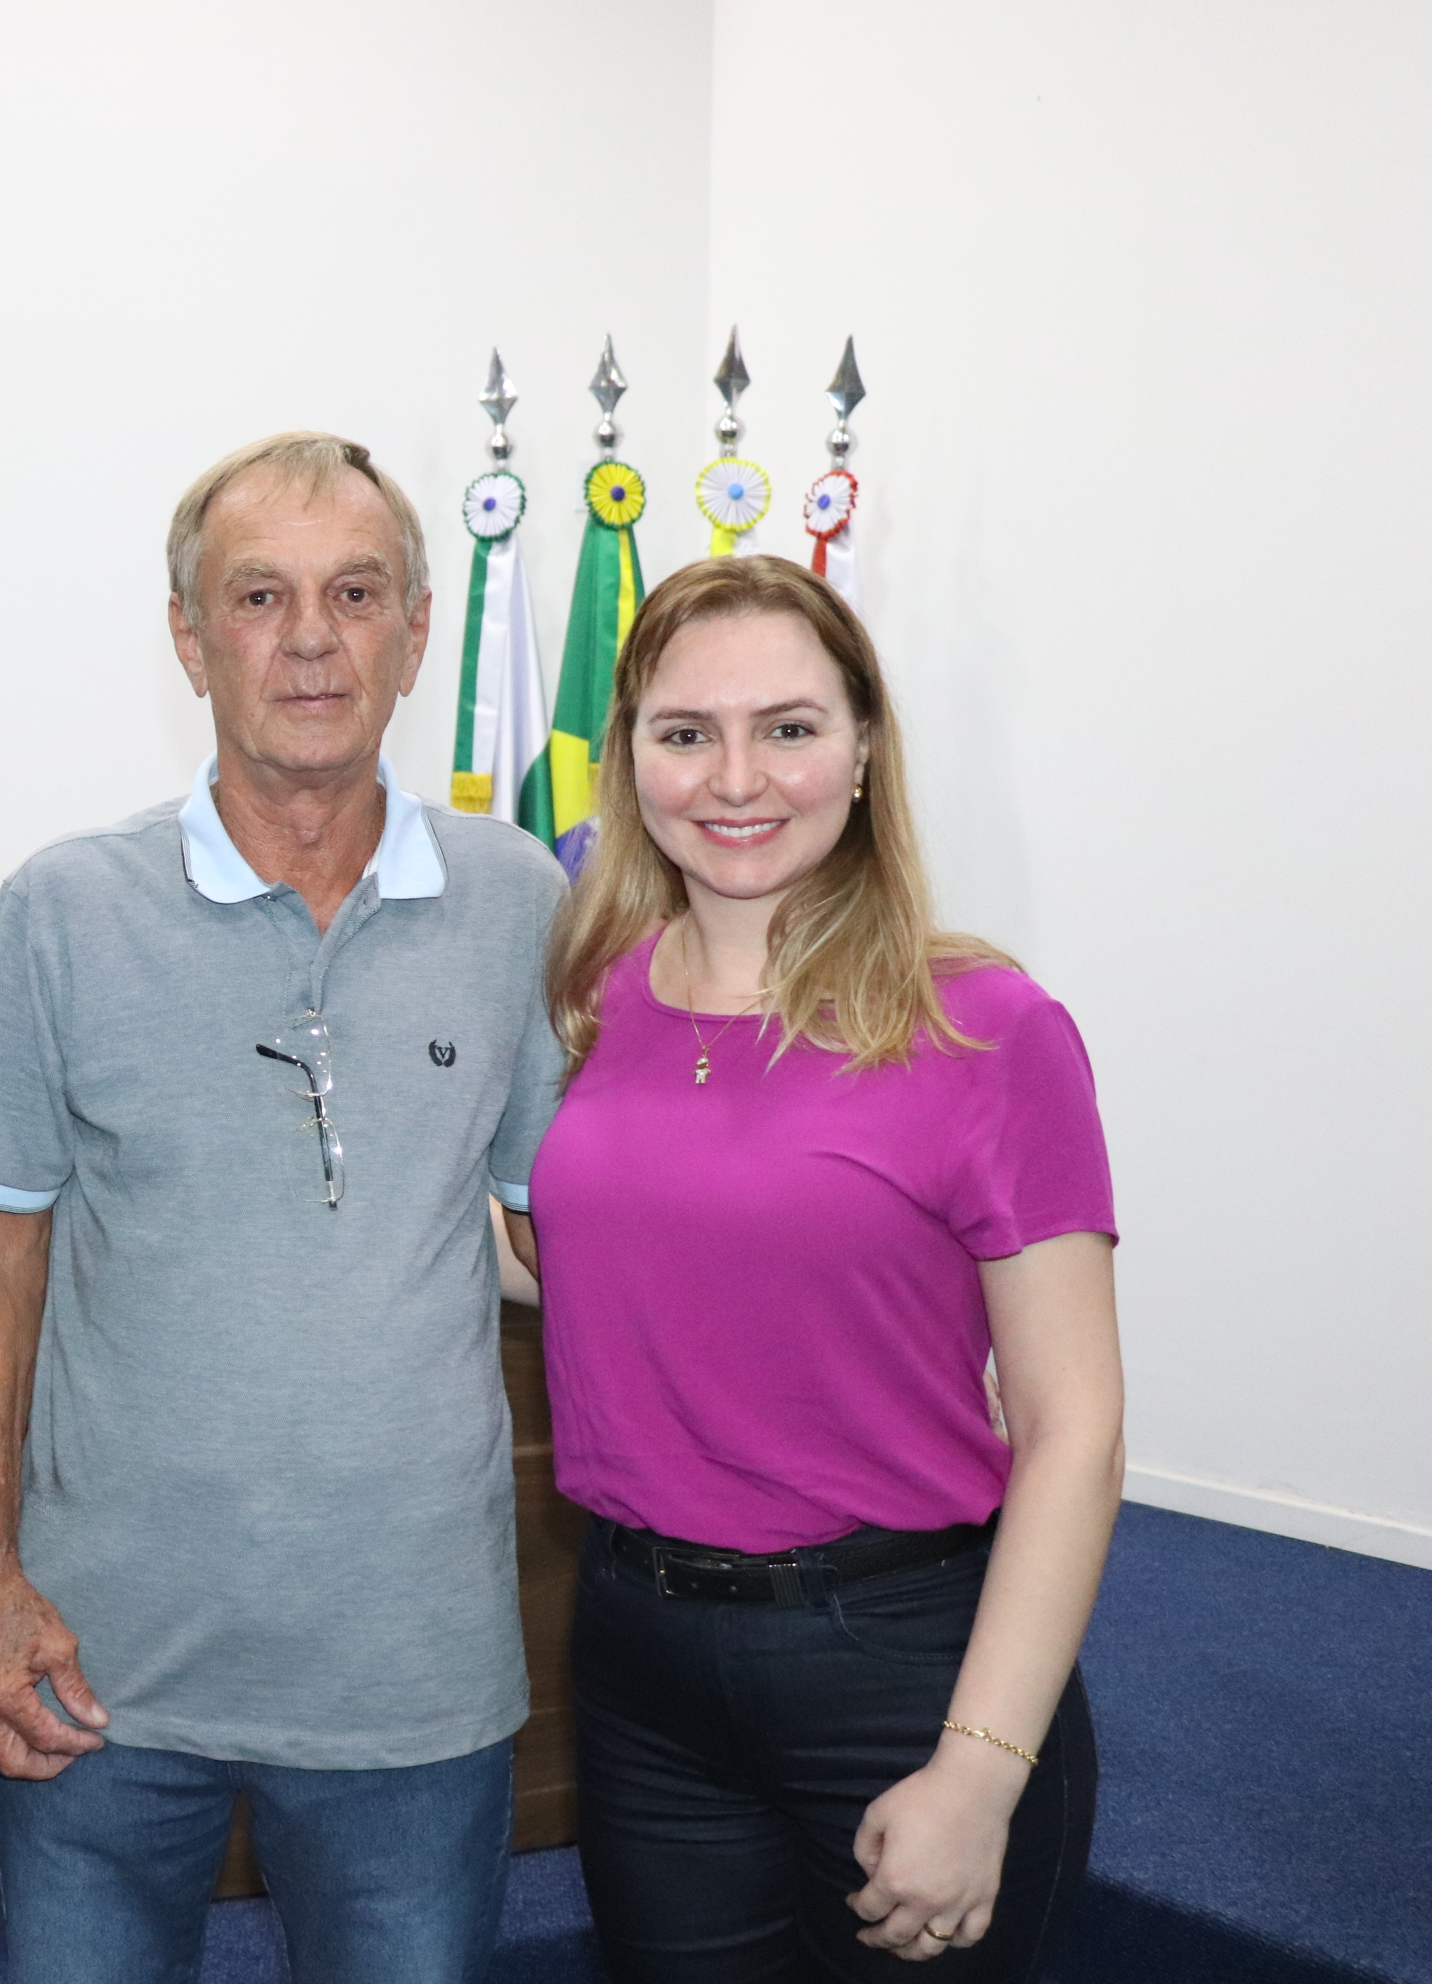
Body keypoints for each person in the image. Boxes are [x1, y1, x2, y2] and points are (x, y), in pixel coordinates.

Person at [0, 432, 570, 1984]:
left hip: (413, 1682)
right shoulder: (65, 909)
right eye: (259, 594)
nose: (308, 637)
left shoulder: (521, 906)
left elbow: (576, 1238)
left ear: (418, 634)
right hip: (95, 1673)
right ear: (187, 634)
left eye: (357, 593)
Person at [527, 554, 1121, 1978]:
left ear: (862, 750)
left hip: (899, 1662)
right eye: (687, 734)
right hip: (638, 1657)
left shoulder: (985, 1025)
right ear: (629, 765)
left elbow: (1073, 1430)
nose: (737, 778)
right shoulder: (590, 991)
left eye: (789, 727)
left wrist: (980, 1770)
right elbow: (600, 1263)